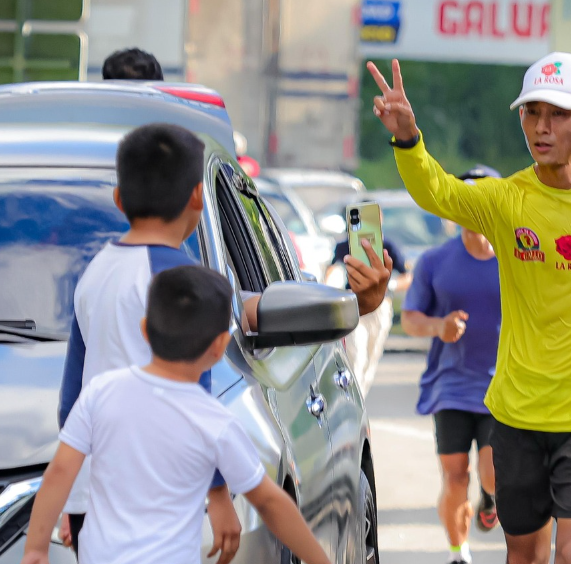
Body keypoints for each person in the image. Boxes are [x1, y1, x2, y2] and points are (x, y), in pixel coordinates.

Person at [366, 52, 571, 564]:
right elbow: (437, 191)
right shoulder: (506, 200)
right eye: (532, 113)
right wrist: (408, 139)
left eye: (558, 114)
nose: (541, 128)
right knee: (524, 554)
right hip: (519, 411)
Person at [58, 123, 392, 557]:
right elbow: (191, 391)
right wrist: (217, 495)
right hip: (165, 491)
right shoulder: (185, 284)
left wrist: (71, 498)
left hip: (97, 496)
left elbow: (71, 400)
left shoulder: (92, 276)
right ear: (198, 197)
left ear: (120, 201)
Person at [22, 265, 332, 564]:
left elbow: (60, 473)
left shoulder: (99, 393)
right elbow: (269, 501)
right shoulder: (214, 422)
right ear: (219, 346)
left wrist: (36, 548)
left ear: (144, 330)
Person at [401, 164, 503, 564]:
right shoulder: (434, 261)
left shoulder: (517, 257)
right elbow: (410, 319)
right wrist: (438, 326)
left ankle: (492, 496)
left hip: (503, 387)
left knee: (493, 472)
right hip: (451, 386)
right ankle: (459, 555)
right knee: (455, 475)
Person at [332, 229, 408, 395]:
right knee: (356, 355)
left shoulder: (387, 246)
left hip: (380, 307)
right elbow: (332, 269)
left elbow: (407, 276)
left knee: (371, 359)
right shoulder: (344, 246)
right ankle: (354, 397)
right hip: (353, 305)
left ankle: (360, 398)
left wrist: (389, 286)